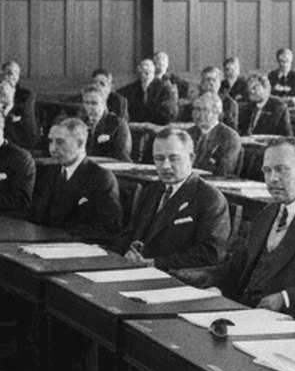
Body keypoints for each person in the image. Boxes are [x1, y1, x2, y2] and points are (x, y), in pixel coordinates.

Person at [182, 137, 295, 314]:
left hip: (293, 319)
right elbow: (237, 268)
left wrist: (286, 298)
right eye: (267, 170)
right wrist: (197, 276)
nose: (272, 178)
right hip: (244, 310)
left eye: (281, 170)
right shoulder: (268, 213)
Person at [113, 127, 232, 269]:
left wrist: (153, 264)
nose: (165, 166)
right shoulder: (152, 191)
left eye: (174, 158)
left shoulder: (210, 198)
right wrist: (128, 249)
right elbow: (127, 234)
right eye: (159, 158)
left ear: (191, 158)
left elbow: (210, 254)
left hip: (176, 277)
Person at [27, 118, 122, 245]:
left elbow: (108, 227)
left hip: (74, 248)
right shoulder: (49, 172)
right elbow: (34, 215)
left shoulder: (101, 178)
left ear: (80, 143)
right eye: (51, 141)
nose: (52, 148)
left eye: (60, 142)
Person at [190, 92, 243, 176]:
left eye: (203, 110)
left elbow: (224, 169)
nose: (197, 114)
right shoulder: (189, 133)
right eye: (195, 109)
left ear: (216, 112)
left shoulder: (230, 137)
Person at [121, 57, 179, 126]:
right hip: (136, 125)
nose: (143, 75)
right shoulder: (130, 89)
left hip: (158, 125)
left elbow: (169, 112)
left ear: (153, 72)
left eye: (147, 73)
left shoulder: (165, 88)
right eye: (141, 73)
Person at [81, 85, 132, 161]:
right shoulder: (80, 123)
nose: (89, 107)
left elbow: (122, 155)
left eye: (94, 103)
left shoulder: (117, 124)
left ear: (103, 103)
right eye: (86, 103)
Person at [237, 72, 293, 137]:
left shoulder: (279, 108)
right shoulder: (245, 107)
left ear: (266, 89)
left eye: (255, 88)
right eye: (249, 88)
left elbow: (287, 137)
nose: (251, 91)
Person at [0, 80, 37, 151]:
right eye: (1, 101)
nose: (4, 105)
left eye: (7, 101)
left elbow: (30, 141)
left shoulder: (22, 115)